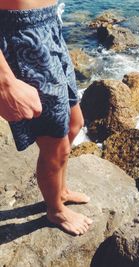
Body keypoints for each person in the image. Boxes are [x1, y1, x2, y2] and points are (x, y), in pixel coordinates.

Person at [0, 0, 92, 235]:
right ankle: (55, 210)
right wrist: (5, 82)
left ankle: (60, 191)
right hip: (21, 36)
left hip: (51, 26)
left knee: (74, 124)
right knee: (54, 143)